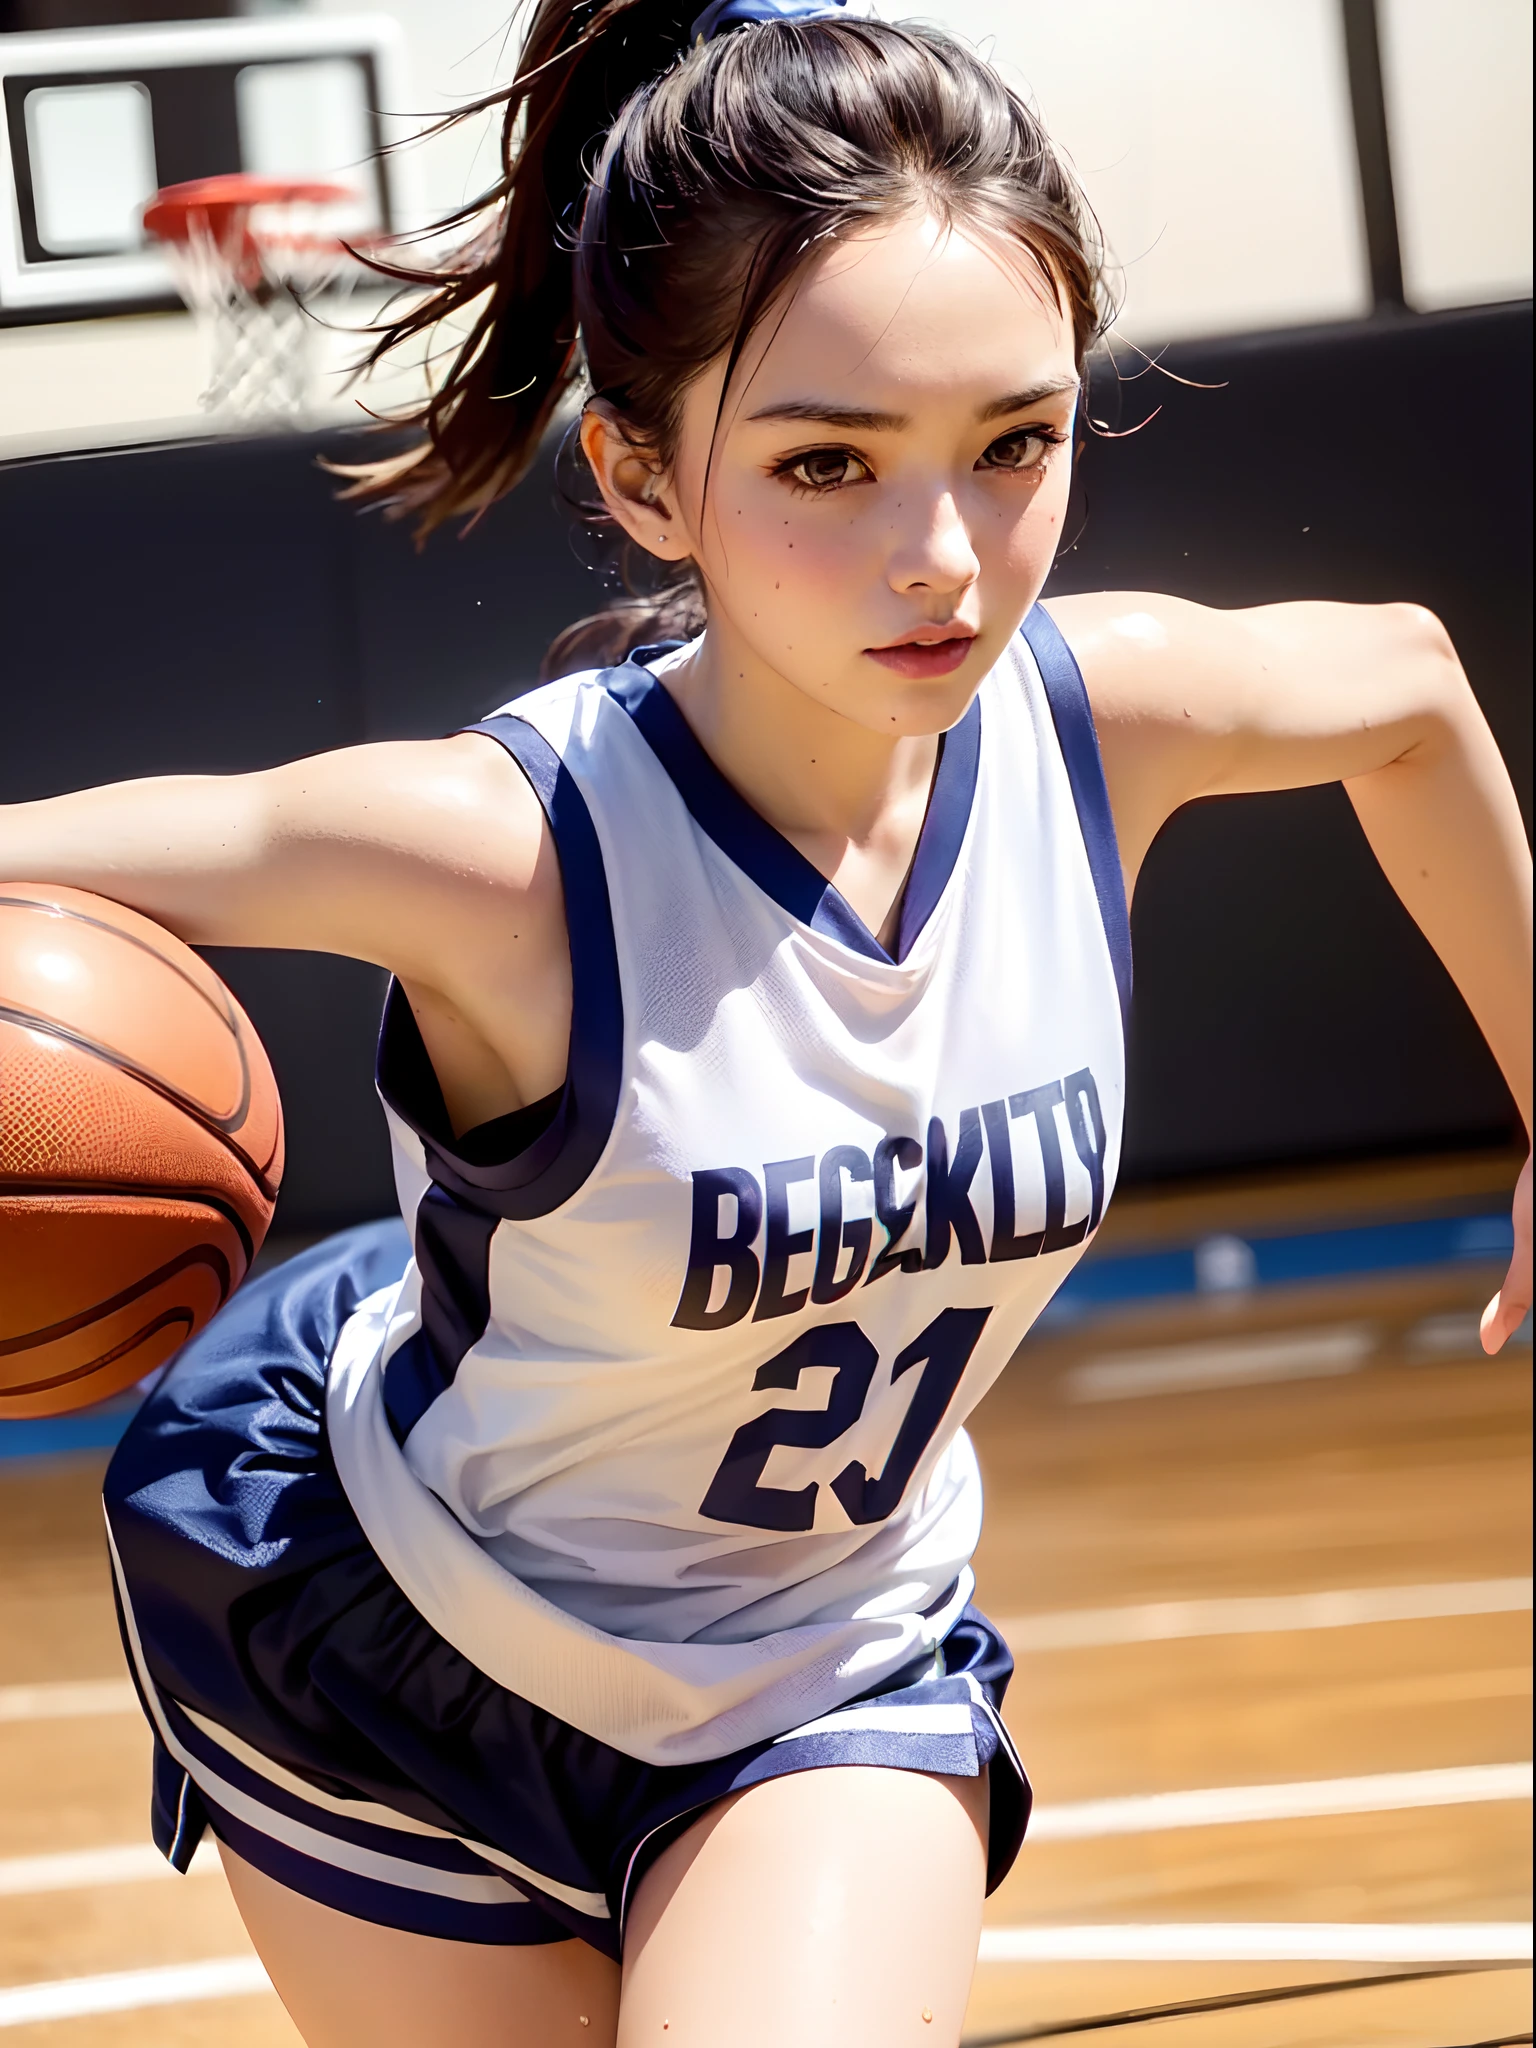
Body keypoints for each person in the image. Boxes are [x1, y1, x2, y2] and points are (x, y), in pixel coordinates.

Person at [4, 2, 1530, 2041]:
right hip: (381, 1623)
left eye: (1018, 442)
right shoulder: (506, 852)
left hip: (822, 1655)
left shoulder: (1102, 727)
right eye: (828, 461)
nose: (946, 557)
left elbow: (1414, 693)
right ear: (642, 475)